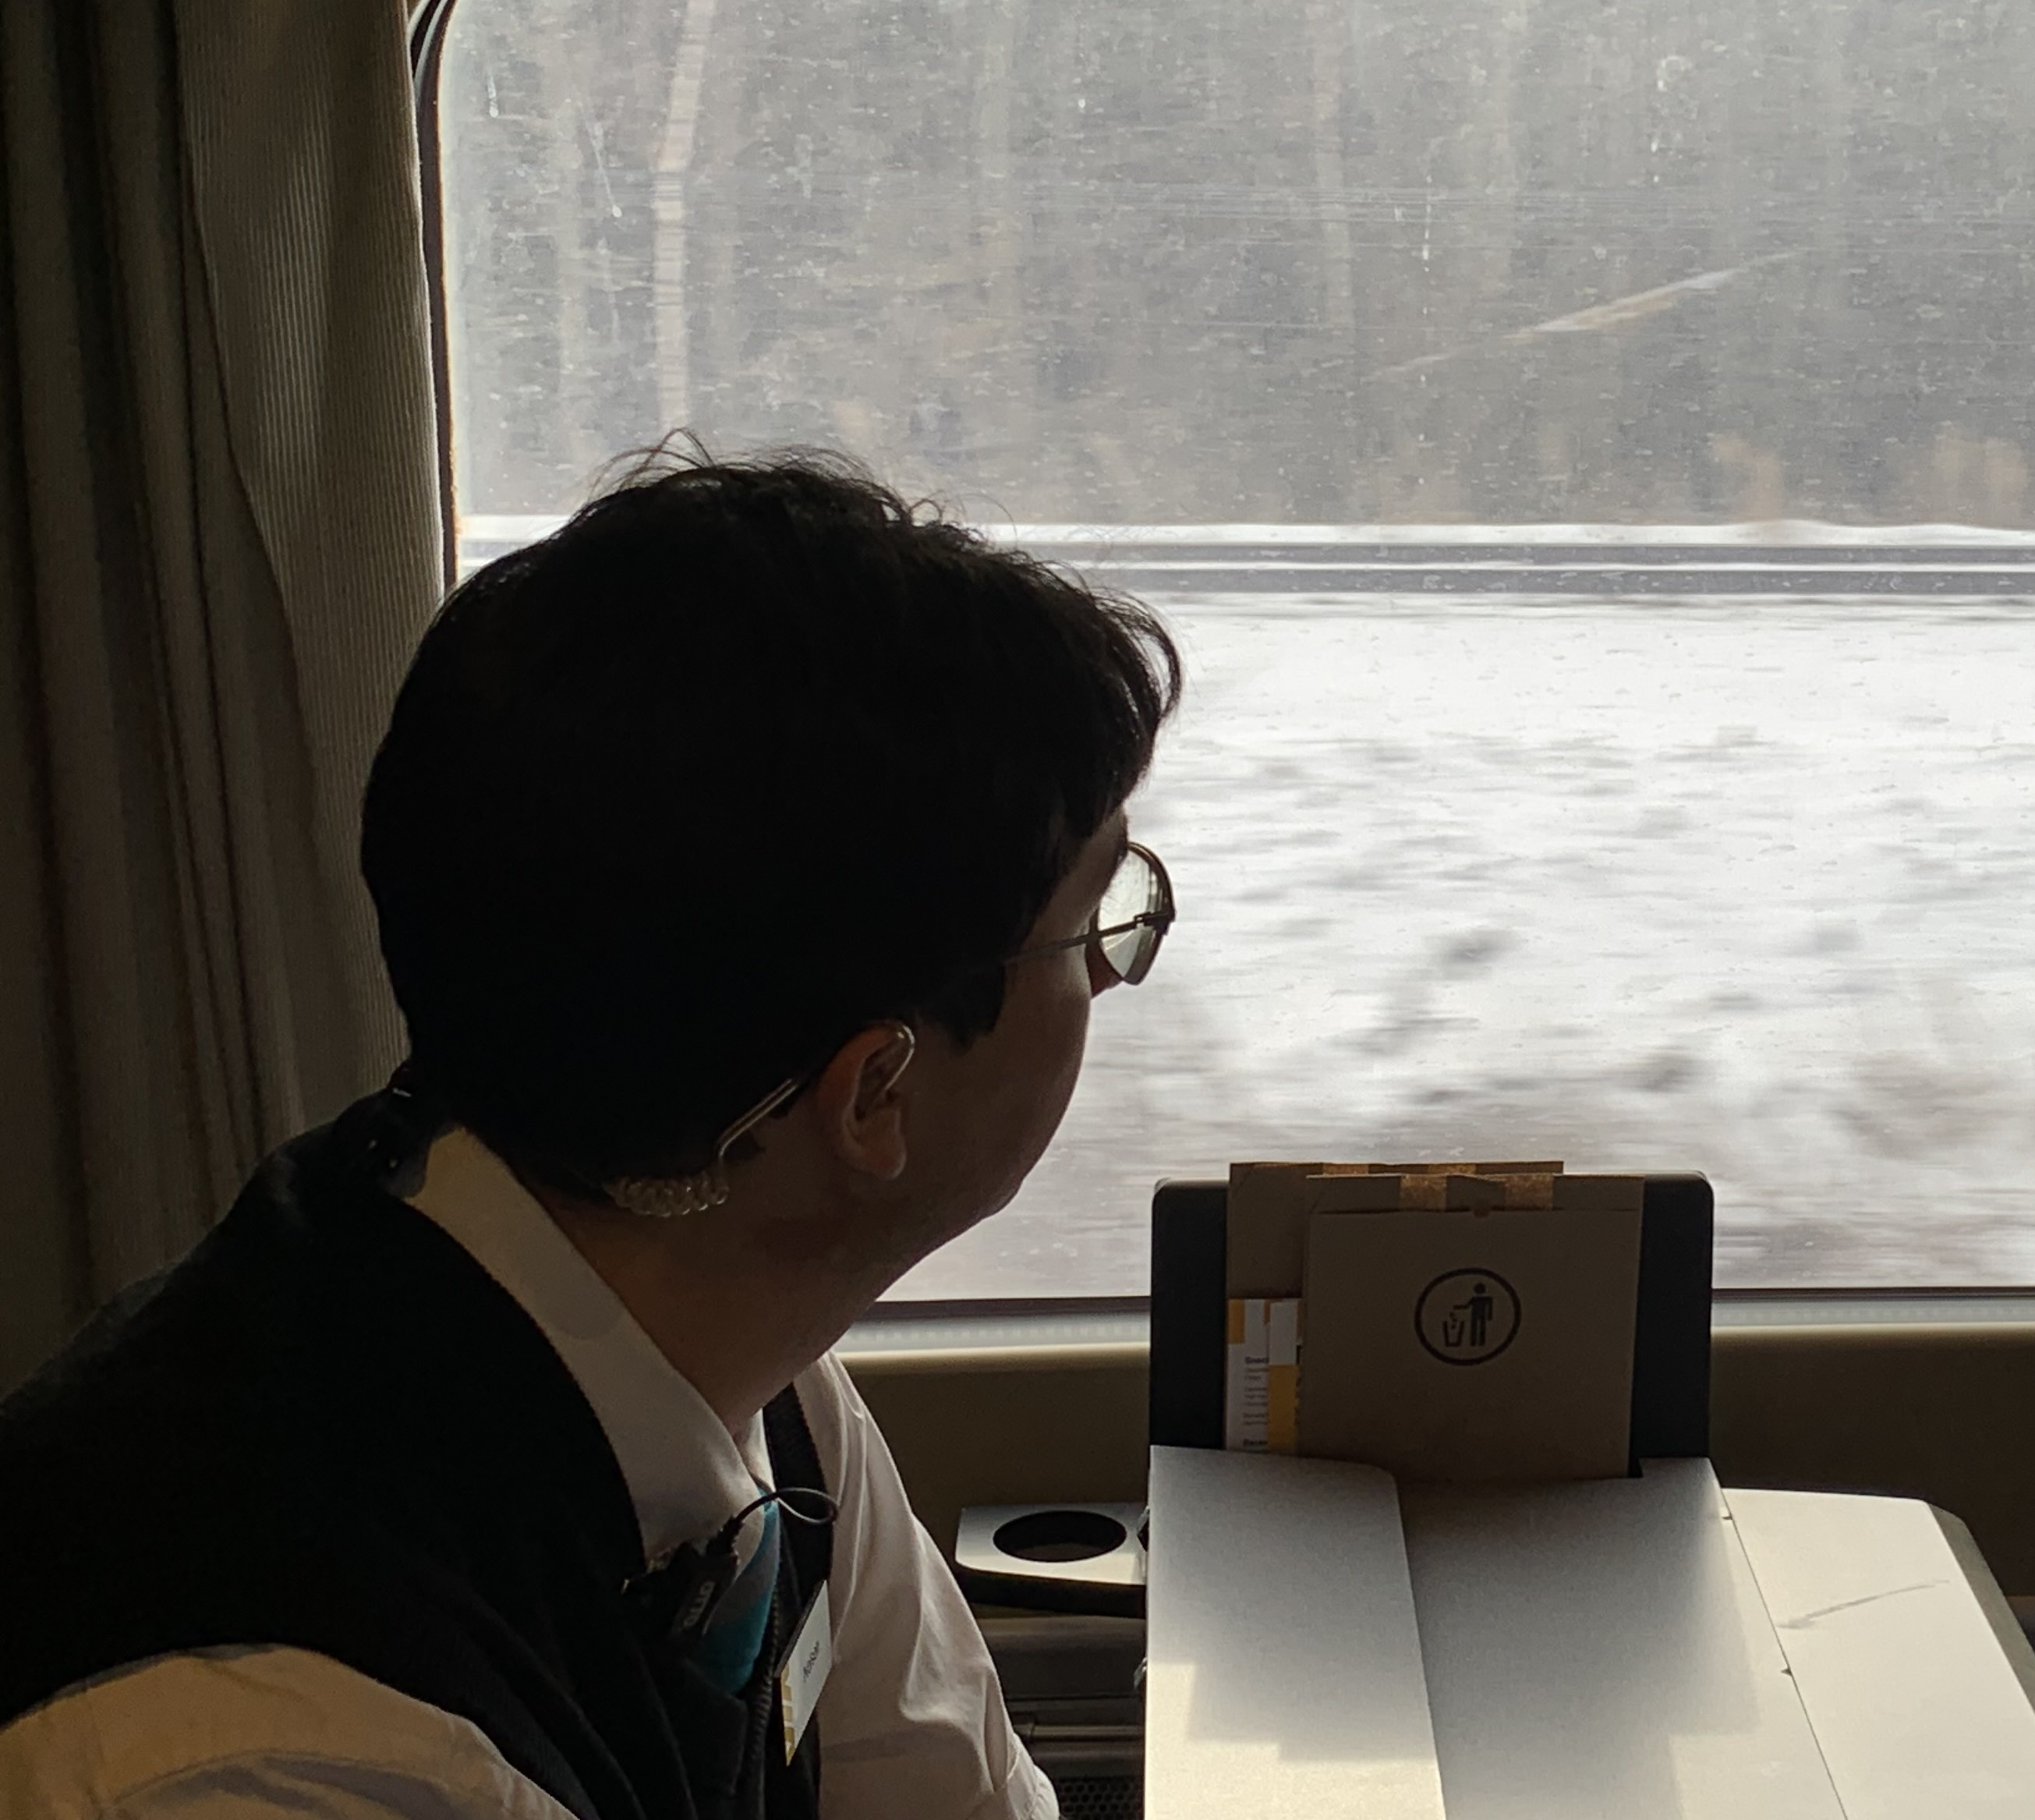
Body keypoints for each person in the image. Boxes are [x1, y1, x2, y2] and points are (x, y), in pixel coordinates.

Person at [0, 451, 1180, 1820]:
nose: (1109, 975)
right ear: (873, 1097)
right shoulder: (281, 1752)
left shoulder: (736, 1352)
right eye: (1095, 925)